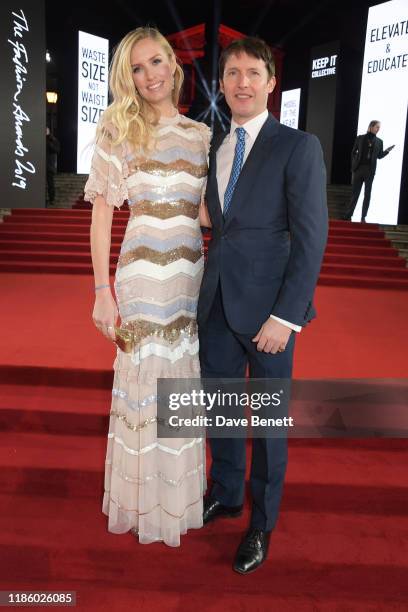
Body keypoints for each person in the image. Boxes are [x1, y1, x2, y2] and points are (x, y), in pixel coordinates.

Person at [197, 37, 328, 574]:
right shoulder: (215, 146)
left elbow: (311, 236)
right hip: (218, 304)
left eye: (253, 72)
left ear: (272, 82)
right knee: (221, 412)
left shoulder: (298, 146)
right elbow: (217, 226)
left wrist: (286, 316)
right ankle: (226, 494)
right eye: (232, 73)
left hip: (272, 313)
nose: (242, 83)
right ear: (222, 83)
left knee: (269, 425)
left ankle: (261, 522)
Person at [84, 27, 211, 547]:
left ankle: (176, 501)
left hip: (188, 277)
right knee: (143, 386)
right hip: (139, 278)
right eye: (136, 68)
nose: (149, 76)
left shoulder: (202, 136)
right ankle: (140, 501)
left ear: (174, 66)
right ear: (127, 79)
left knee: (178, 385)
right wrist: (100, 290)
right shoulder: (118, 128)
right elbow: (100, 216)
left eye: (156, 62)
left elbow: (206, 213)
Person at [342, 120, 394, 222]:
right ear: (371, 126)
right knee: (355, 194)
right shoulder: (360, 138)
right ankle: (348, 215)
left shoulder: (379, 142)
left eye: (379, 127)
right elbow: (353, 152)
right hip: (358, 169)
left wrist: (387, 151)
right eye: (377, 127)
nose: (378, 129)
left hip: (370, 171)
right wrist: (354, 166)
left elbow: (379, 156)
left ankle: (363, 217)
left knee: (367, 194)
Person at [46, 127, 60, 207]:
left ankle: (51, 199)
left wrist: (48, 140)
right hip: (40, 166)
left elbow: (57, 150)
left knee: (50, 183)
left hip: (49, 166)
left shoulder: (53, 140)